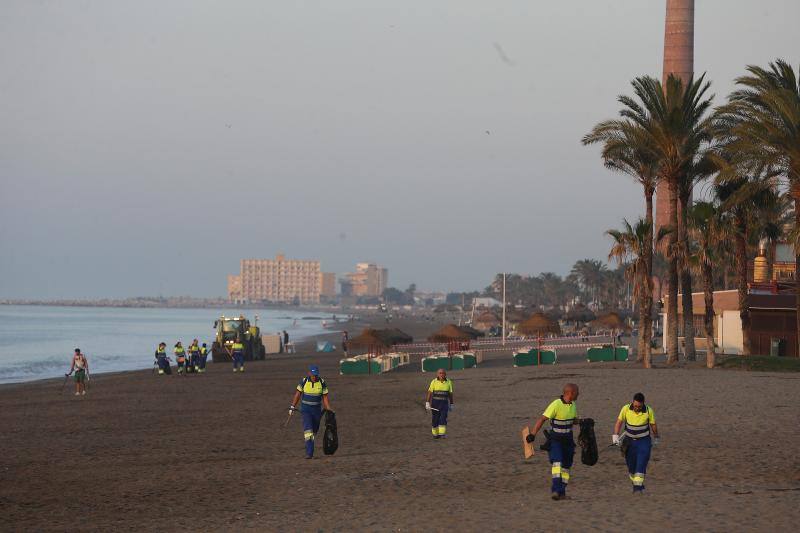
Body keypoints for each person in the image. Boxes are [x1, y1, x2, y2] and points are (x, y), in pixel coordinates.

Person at [527, 383, 581, 500]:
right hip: (556, 440)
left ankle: (562, 492)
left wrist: (582, 422)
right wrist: (532, 434)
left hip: (568, 440)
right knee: (557, 463)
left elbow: (573, 420)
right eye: (577, 392)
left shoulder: (573, 405)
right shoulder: (556, 404)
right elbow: (542, 419)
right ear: (571, 393)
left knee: (566, 466)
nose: (579, 394)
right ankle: (556, 490)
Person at [613, 392, 659, 493]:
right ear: (632, 402)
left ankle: (637, 488)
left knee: (641, 463)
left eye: (639, 406)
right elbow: (619, 422)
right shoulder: (625, 408)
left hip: (644, 441)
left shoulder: (648, 410)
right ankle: (638, 485)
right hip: (629, 442)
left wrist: (656, 437)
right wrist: (615, 436)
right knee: (631, 466)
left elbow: (653, 424)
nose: (637, 408)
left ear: (643, 404)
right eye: (635, 405)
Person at [289, 365, 332, 459]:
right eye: (313, 375)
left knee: (314, 430)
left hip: (317, 411)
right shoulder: (304, 381)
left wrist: (328, 409)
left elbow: (325, 397)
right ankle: (309, 453)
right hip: (306, 410)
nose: (314, 377)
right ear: (309, 373)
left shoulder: (322, 382)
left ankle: (310, 444)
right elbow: (298, 394)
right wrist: (292, 407)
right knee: (308, 431)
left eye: (316, 375)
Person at [425, 368, 454, 439]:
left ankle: (442, 434)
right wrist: (427, 402)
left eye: (443, 373)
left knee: (443, 418)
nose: (441, 374)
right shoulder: (433, 382)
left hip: (444, 404)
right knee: (435, 419)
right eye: (440, 373)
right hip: (435, 404)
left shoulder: (449, 382)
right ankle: (435, 434)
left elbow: (450, 393)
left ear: (445, 374)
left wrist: (451, 403)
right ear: (437, 374)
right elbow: (430, 392)